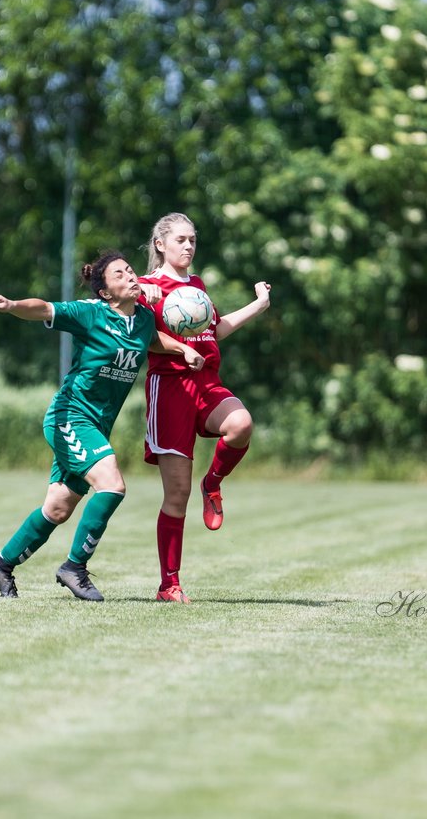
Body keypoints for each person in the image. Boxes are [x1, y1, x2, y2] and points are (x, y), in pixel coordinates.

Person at [0, 251, 204, 601]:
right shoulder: (91, 313)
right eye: (119, 275)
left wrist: (183, 351)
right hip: (70, 417)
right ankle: (74, 567)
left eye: (130, 270)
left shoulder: (142, 319)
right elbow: (44, 308)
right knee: (112, 485)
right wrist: (10, 305)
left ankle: (0, 565)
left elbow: (154, 340)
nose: (130, 276)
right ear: (105, 292)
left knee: (57, 508)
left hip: (97, 424)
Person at [138, 213, 271, 603]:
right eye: (181, 239)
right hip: (171, 389)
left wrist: (258, 305)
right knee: (176, 495)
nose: (189, 246)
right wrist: (178, 347)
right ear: (161, 244)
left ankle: (212, 483)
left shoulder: (196, 285)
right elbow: (142, 337)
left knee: (241, 424)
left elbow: (215, 329)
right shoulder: (146, 287)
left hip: (207, 383)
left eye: (193, 240)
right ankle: (169, 584)